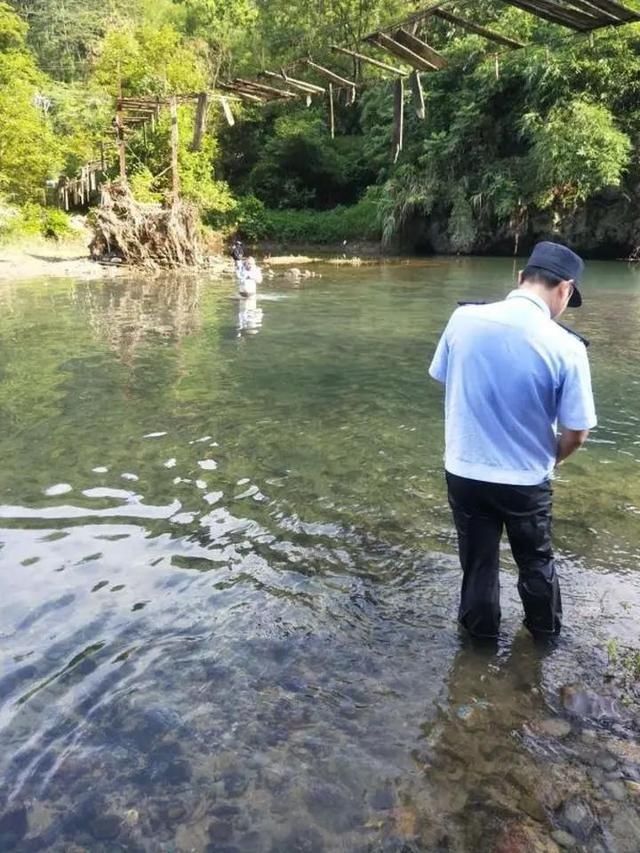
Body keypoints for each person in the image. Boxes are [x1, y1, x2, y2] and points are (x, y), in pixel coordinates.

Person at [429, 241, 597, 640]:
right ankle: (543, 641)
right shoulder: (567, 347)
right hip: (525, 480)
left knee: (479, 565)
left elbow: (445, 377)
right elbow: (578, 432)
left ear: (521, 277)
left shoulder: (463, 319)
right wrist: (552, 457)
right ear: (566, 289)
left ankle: (477, 649)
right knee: (536, 562)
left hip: (465, 471)